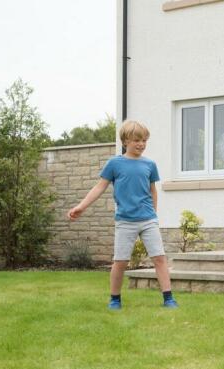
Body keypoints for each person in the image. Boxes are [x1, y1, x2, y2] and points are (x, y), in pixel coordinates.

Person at [67, 120, 178, 310]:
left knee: (159, 258)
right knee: (121, 261)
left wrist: (154, 215)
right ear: (125, 141)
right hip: (125, 221)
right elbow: (99, 187)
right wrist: (81, 206)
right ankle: (115, 299)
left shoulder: (150, 164)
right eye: (137, 140)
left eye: (144, 140)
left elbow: (153, 191)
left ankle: (168, 298)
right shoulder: (114, 164)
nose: (141, 144)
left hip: (148, 219)